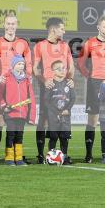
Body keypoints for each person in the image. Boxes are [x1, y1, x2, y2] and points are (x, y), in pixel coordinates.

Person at [0, 14, 32, 164]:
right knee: (0, 119)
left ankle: (16, 155)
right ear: (4, 25)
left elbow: (29, 63)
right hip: (3, 84)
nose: (11, 26)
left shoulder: (23, 43)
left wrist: (28, 76)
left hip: (18, 85)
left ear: (16, 25)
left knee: (19, 120)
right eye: (8, 24)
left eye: (13, 24)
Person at [77, 15, 105, 163]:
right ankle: (89, 155)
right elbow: (81, 64)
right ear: (98, 27)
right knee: (93, 119)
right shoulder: (89, 43)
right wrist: (90, 76)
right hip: (95, 83)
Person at [32, 17, 74, 163]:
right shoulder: (40, 46)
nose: (64, 31)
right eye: (62, 28)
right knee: (43, 120)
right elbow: (35, 68)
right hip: (48, 89)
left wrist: (70, 79)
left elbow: (71, 66)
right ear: (53, 29)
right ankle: (40, 155)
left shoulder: (65, 46)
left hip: (63, 89)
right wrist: (44, 82)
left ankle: (63, 155)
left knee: (63, 119)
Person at [0, 55, 35, 166]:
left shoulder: (27, 79)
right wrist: (4, 106)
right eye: (19, 64)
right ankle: (9, 158)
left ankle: (18, 159)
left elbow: (31, 97)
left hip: (22, 113)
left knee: (19, 135)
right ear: (13, 65)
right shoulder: (6, 77)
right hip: (10, 113)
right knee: (11, 134)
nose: (21, 66)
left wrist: (31, 116)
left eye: (23, 64)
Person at [45, 59, 75, 165]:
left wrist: (68, 109)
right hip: (53, 116)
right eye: (59, 69)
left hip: (65, 115)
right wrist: (55, 112)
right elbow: (46, 101)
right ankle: (51, 158)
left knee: (64, 138)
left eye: (64, 68)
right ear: (53, 71)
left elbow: (73, 99)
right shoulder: (50, 84)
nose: (62, 70)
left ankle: (64, 157)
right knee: (53, 137)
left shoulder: (69, 84)